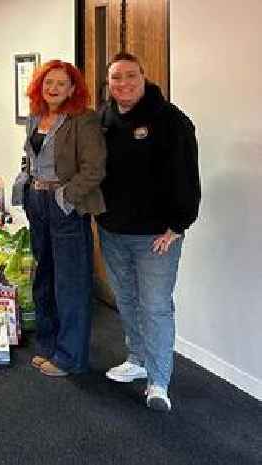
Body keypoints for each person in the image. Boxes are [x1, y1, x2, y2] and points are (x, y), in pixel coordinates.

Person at [96, 52, 200, 412]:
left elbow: (187, 176)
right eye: (116, 78)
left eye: (130, 77)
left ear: (144, 77)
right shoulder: (104, 118)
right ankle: (137, 359)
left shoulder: (171, 121)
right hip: (113, 231)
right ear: (107, 83)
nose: (123, 84)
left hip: (156, 237)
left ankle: (158, 381)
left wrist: (178, 224)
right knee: (126, 299)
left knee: (154, 307)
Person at [21, 60, 106, 377]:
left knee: (71, 282)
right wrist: (26, 188)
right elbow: (31, 157)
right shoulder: (35, 116)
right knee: (44, 277)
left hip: (65, 205)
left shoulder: (83, 120)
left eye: (61, 83)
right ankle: (48, 345)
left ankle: (71, 357)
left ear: (73, 88)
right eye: (48, 82)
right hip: (37, 201)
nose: (53, 88)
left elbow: (94, 169)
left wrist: (64, 198)